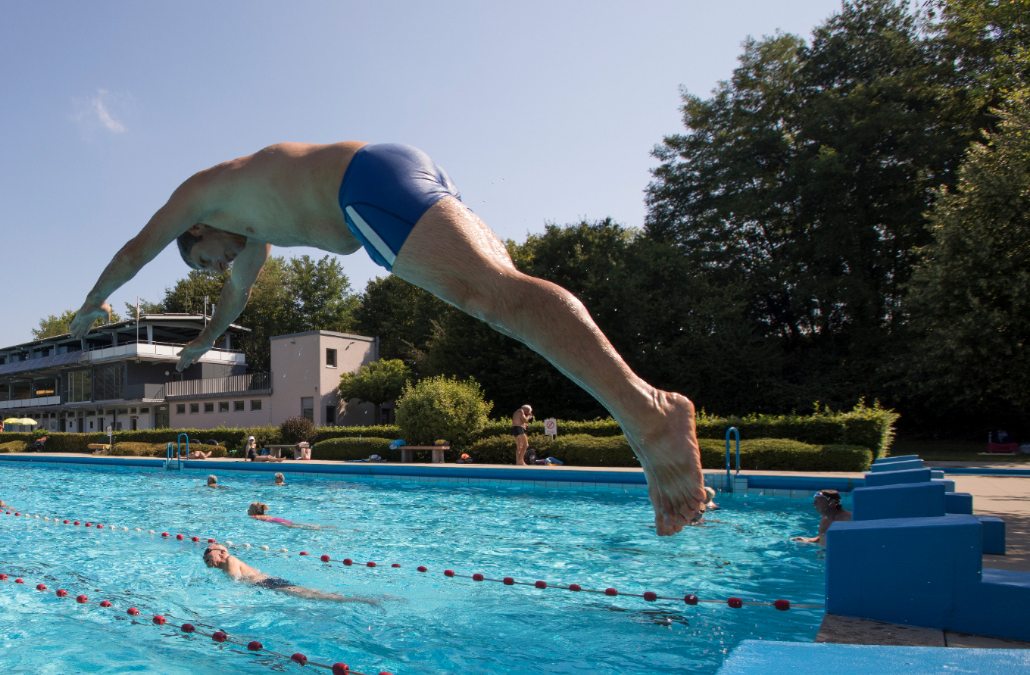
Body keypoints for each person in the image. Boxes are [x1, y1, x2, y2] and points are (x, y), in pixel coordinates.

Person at [67, 141, 705, 535]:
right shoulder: (252, 234)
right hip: (387, 176)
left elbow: (137, 248)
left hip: (365, 187)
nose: (217, 268)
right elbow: (236, 298)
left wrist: (93, 301)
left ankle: (648, 414)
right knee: (501, 295)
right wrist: (202, 344)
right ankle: (644, 415)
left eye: (204, 260)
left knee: (492, 297)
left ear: (196, 231)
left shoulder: (201, 191)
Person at [201, 543, 370, 602]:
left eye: (207, 551)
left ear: (222, 552)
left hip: (268, 584)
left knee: (313, 595)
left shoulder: (230, 560)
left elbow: (234, 582)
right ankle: (355, 598)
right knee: (312, 594)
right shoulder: (225, 566)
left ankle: (360, 600)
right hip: (267, 584)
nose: (204, 556)